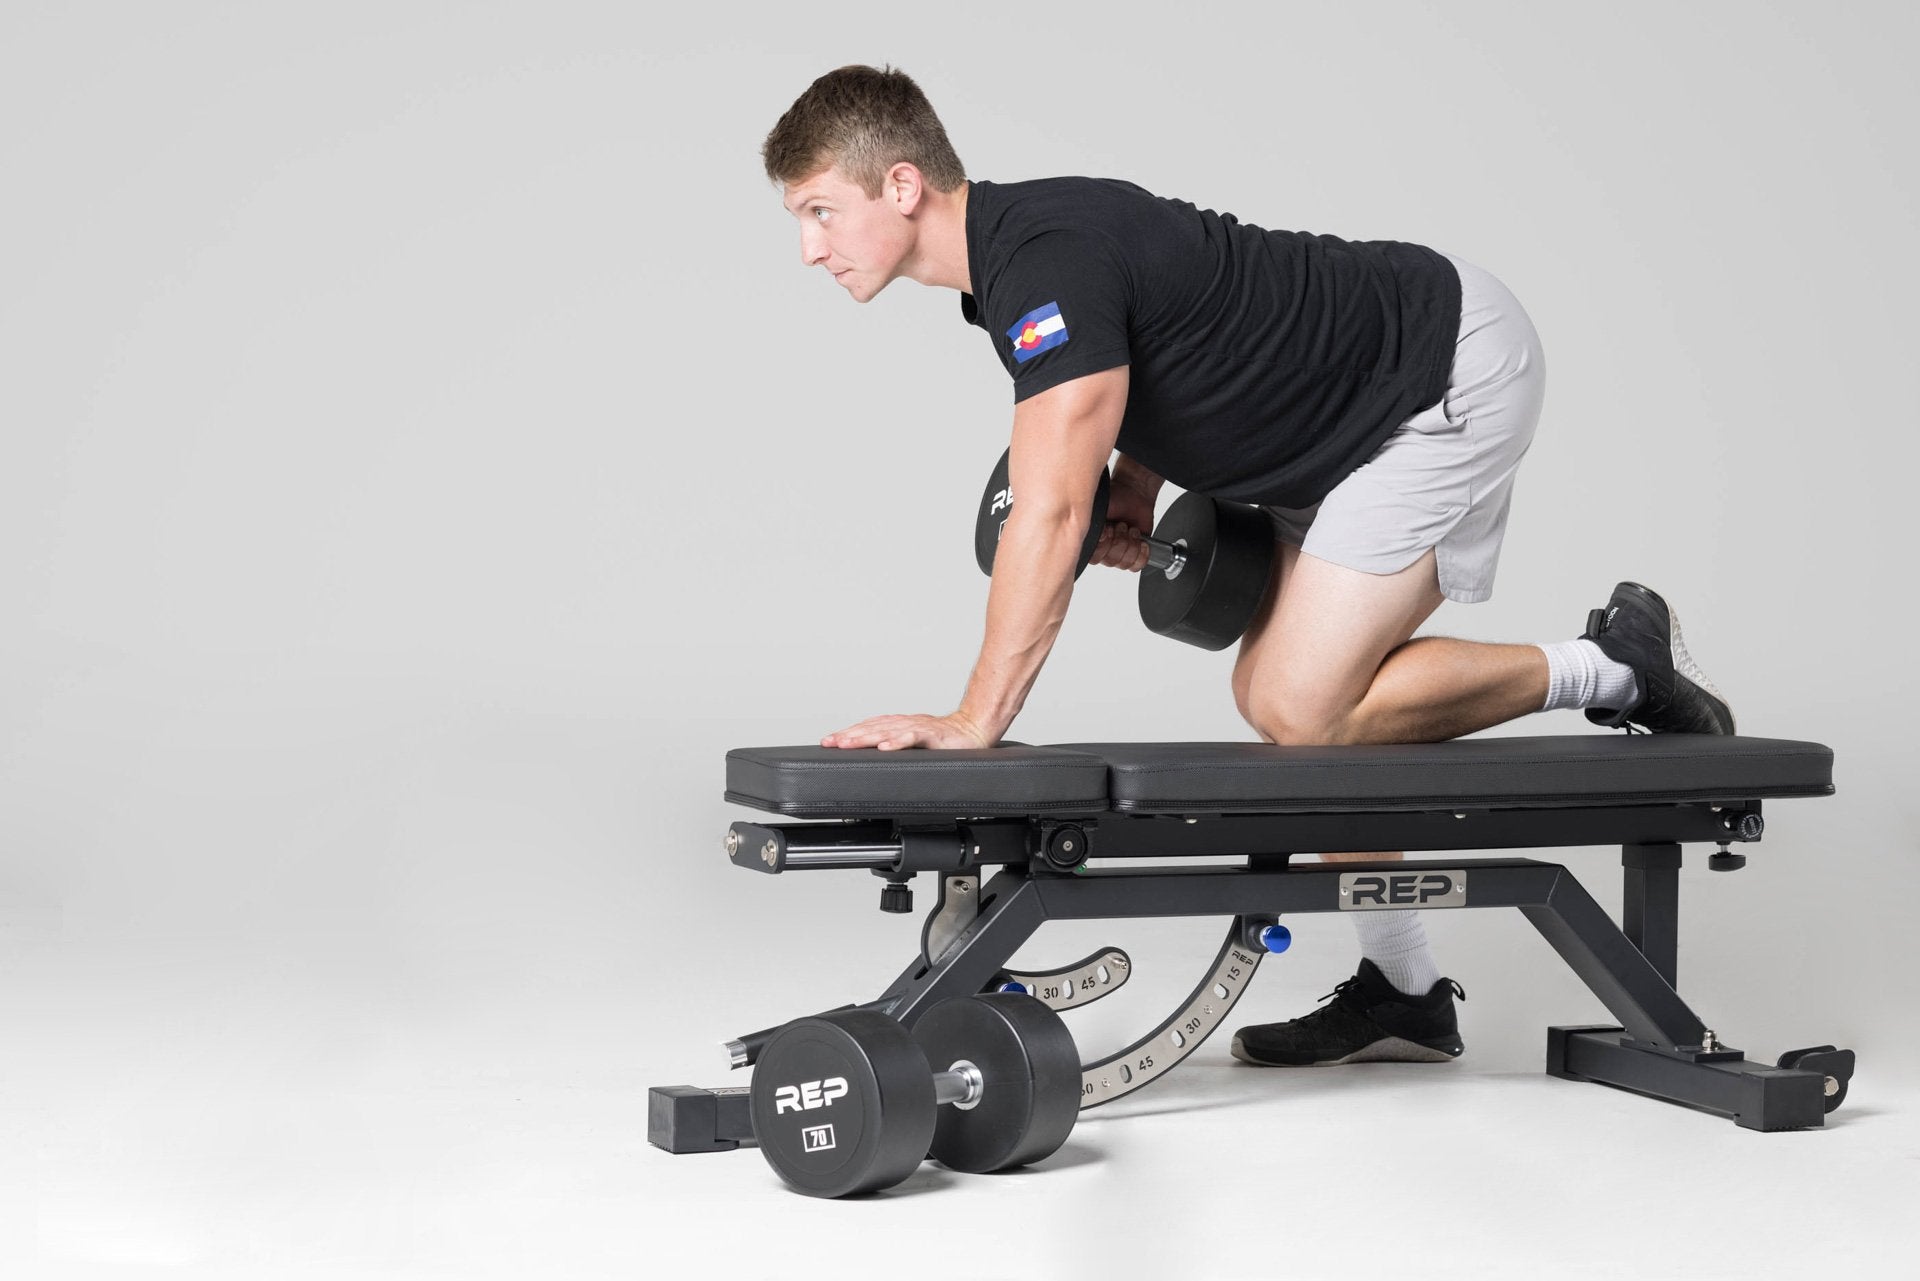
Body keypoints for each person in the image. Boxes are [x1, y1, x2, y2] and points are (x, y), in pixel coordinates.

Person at [761, 65, 1735, 1068]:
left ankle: (1615, 663)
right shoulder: (1020, 259)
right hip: (1338, 417)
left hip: (1433, 374)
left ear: (905, 186)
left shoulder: (1039, 263)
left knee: (1303, 708)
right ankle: (1404, 990)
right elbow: (1167, 349)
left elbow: (1049, 508)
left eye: (822, 212)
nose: (811, 248)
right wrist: (1137, 487)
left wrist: (974, 723)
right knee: (1276, 697)